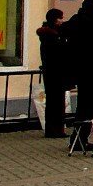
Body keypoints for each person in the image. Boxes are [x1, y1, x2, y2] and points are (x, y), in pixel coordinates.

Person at [61, 0, 93, 136]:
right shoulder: (91, 23)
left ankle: (78, 138)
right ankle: (81, 138)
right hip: (90, 68)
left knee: (83, 105)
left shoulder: (76, 19)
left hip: (79, 68)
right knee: (88, 106)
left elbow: (64, 30)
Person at [36, 8, 70, 139]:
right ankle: (55, 129)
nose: (62, 20)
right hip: (55, 71)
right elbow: (59, 53)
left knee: (53, 101)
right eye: (60, 18)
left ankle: (53, 129)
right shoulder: (51, 37)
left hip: (52, 71)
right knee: (56, 102)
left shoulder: (50, 34)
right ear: (54, 20)